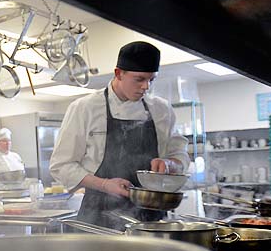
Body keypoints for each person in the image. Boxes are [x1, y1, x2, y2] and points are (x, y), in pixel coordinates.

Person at [49, 41, 189, 229]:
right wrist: (105, 185)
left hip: (151, 216)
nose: (146, 87)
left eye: (151, 79)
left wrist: (171, 164)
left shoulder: (161, 110)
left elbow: (180, 154)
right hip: (98, 216)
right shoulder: (85, 108)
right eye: (139, 79)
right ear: (118, 73)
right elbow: (61, 165)